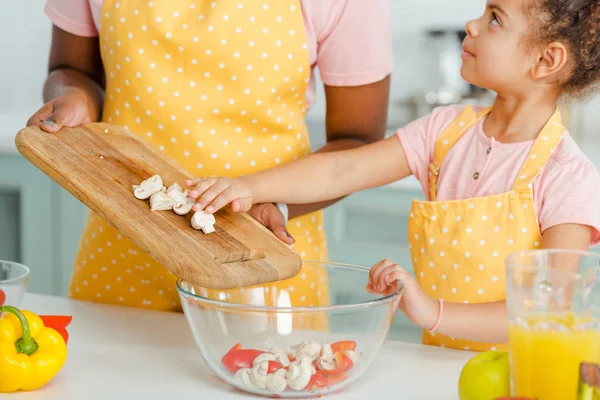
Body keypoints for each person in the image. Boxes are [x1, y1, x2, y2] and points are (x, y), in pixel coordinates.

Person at [186, 0, 600, 351]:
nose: (471, 25)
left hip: (523, 380)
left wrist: (432, 312)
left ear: (547, 60)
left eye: (495, 18)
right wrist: (246, 187)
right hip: (436, 366)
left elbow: (547, 304)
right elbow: (343, 168)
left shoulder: (568, 176)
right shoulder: (445, 131)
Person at [26, 0, 392, 315]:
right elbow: (72, 69)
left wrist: (275, 204)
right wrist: (76, 96)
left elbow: (357, 142)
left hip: (262, 256)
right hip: (122, 248)